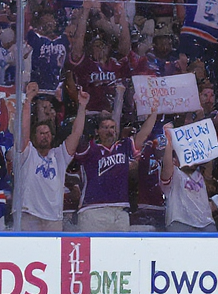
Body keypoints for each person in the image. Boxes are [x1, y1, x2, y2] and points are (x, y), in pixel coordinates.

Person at [14, 84, 87, 231]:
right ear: (34, 137)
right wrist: (28, 100)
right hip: (29, 214)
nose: (45, 136)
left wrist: (82, 106)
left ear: (52, 137)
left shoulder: (59, 156)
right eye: (41, 133)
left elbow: (76, 134)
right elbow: (23, 131)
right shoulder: (28, 153)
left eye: (47, 133)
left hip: (54, 217)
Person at [73, 112, 157, 231]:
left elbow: (143, 134)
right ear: (97, 131)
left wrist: (154, 113)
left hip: (120, 210)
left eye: (112, 127)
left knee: (121, 249)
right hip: (93, 210)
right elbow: (76, 134)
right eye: (105, 127)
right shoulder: (90, 148)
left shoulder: (124, 146)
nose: (110, 131)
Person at [159, 121, 218, 232]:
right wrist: (168, 142)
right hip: (180, 223)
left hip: (206, 223)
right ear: (175, 159)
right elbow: (167, 165)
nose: (190, 157)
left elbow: (209, 148)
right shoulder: (174, 174)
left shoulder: (200, 174)